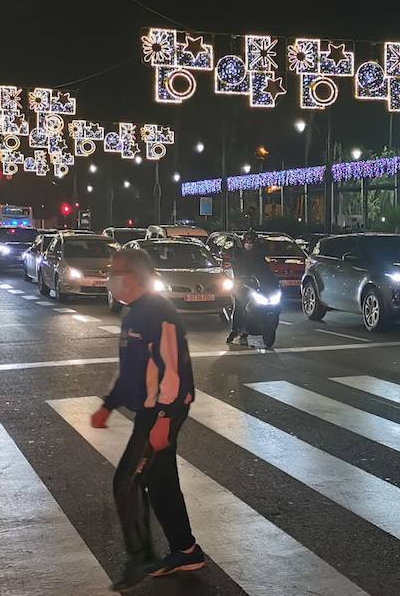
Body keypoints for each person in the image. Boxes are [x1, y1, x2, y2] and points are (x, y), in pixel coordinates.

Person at [89, 249, 203, 590]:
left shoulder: (159, 313)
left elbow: (174, 371)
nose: (111, 277)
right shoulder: (134, 313)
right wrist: (108, 405)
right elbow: (131, 373)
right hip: (152, 411)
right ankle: (186, 550)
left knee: (126, 483)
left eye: (116, 271)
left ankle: (140, 557)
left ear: (135, 276)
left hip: (161, 412)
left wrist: (164, 419)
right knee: (160, 481)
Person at [226, 230, 279, 345]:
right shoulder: (239, 255)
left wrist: (274, 281)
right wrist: (241, 279)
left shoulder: (259, 257)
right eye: (247, 241)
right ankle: (235, 330)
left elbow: (266, 271)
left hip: (257, 287)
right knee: (240, 306)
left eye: (251, 242)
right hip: (242, 286)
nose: (249, 244)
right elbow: (235, 268)